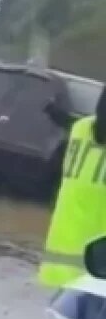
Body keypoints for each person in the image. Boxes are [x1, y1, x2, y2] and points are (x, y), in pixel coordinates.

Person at [39, 87, 106, 289]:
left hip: (60, 271)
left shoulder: (80, 129)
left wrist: (56, 113)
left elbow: (48, 177)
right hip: (98, 278)